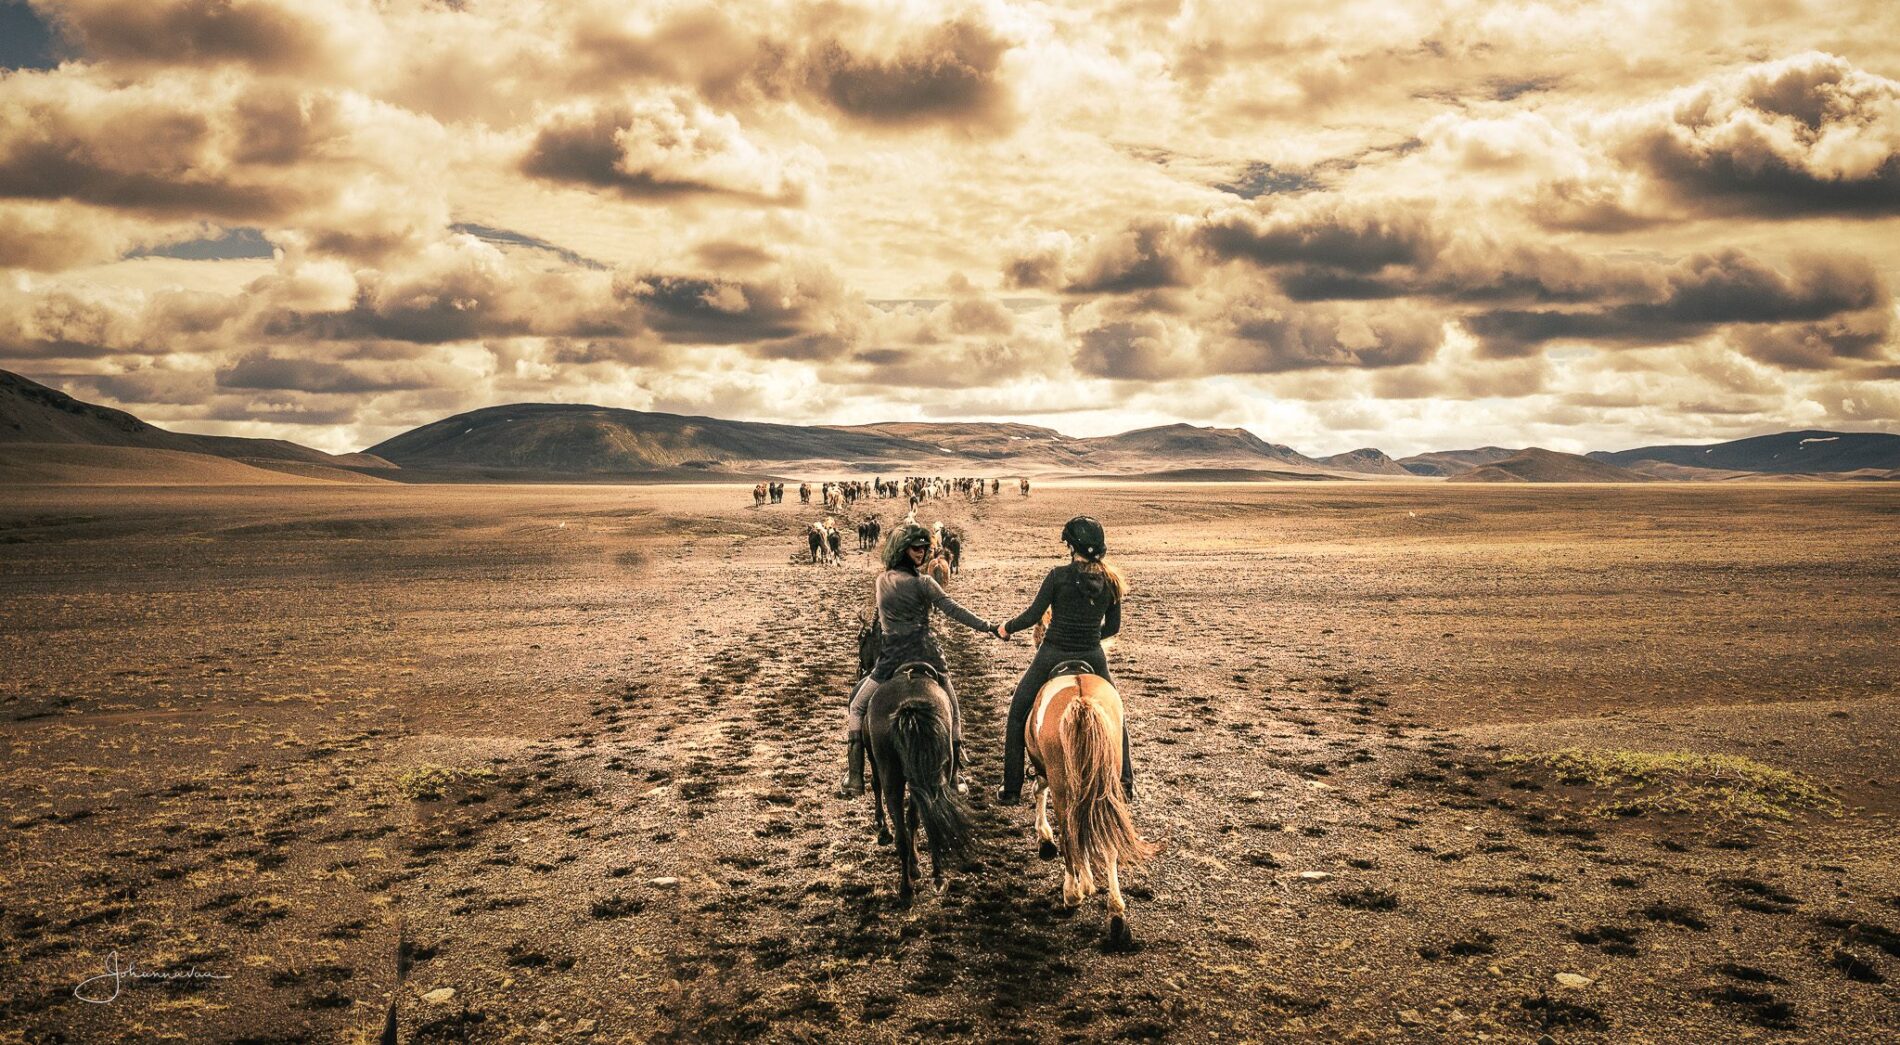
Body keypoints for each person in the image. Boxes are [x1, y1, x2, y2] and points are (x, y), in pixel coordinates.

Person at [841, 524, 995, 797]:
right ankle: (956, 773)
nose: (922, 553)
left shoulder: (882, 580)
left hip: (890, 658)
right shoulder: (924, 583)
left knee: (857, 707)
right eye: (916, 548)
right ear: (903, 550)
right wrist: (987, 626)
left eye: (924, 548)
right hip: (927, 653)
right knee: (953, 710)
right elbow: (952, 609)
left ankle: (854, 776)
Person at [994, 515, 1133, 805]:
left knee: (1018, 711)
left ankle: (1011, 787)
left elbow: (1033, 616)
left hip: (1053, 652)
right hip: (1093, 655)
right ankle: (1125, 782)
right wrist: (1090, 635)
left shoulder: (1058, 576)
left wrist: (1006, 627)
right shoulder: (1112, 581)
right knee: (1116, 714)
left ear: (1071, 547)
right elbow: (1114, 628)